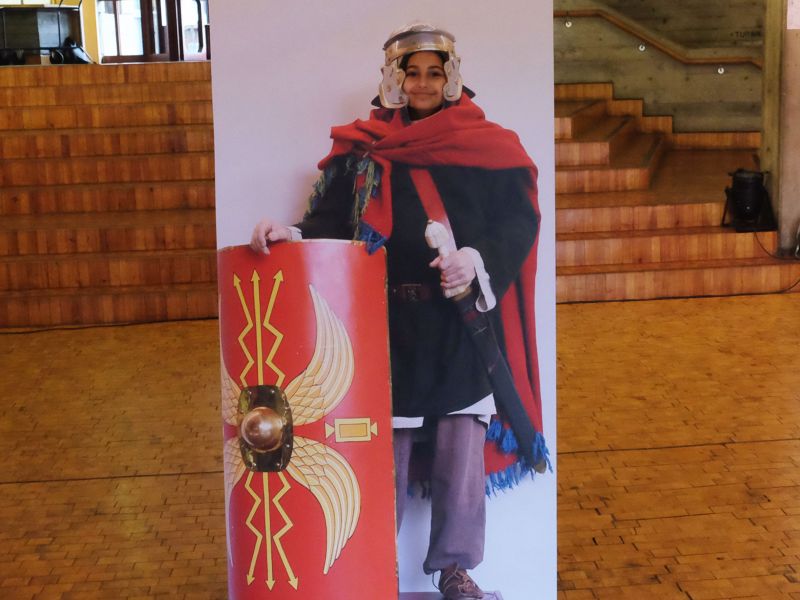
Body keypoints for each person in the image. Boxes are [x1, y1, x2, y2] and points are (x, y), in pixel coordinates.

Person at [250, 22, 547, 600]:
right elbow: (331, 223)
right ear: (394, 79)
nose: (423, 84)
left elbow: (517, 220)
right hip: (386, 324)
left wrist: (475, 259)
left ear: (451, 78)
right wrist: (290, 233)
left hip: (458, 322)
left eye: (435, 73)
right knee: (380, 451)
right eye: (413, 73)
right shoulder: (364, 150)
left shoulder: (483, 144)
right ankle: (371, 566)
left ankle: (455, 569)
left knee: (460, 448)